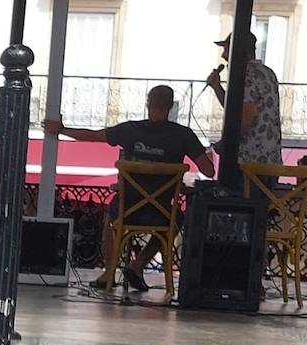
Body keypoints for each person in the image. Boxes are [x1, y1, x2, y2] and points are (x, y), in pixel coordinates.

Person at [44, 85, 215, 292]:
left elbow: (93, 136)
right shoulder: (183, 136)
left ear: (147, 103)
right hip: (160, 213)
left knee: (112, 211)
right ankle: (138, 264)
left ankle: (109, 272)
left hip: (126, 210)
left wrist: (61, 130)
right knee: (177, 218)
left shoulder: (129, 130)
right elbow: (208, 171)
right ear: (170, 107)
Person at [206, 31, 283, 167]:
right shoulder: (268, 73)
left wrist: (226, 143)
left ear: (237, 50)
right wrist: (217, 87)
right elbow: (237, 109)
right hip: (270, 161)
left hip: (249, 162)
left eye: (226, 50)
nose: (223, 56)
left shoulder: (246, 75)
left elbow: (246, 120)